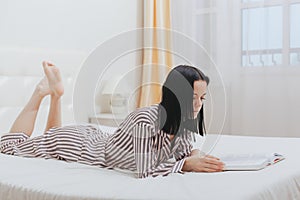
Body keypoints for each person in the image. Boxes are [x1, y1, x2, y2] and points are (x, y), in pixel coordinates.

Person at [0, 62, 224, 178]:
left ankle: (57, 95)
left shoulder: (182, 126)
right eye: (192, 98)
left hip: (92, 137)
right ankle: (40, 93)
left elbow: (183, 152)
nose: (198, 105)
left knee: (48, 136)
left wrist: (194, 155)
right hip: (80, 146)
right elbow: (144, 171)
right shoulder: (145, 120)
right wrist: (186, 164)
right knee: (8, 146)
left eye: (202, 98)